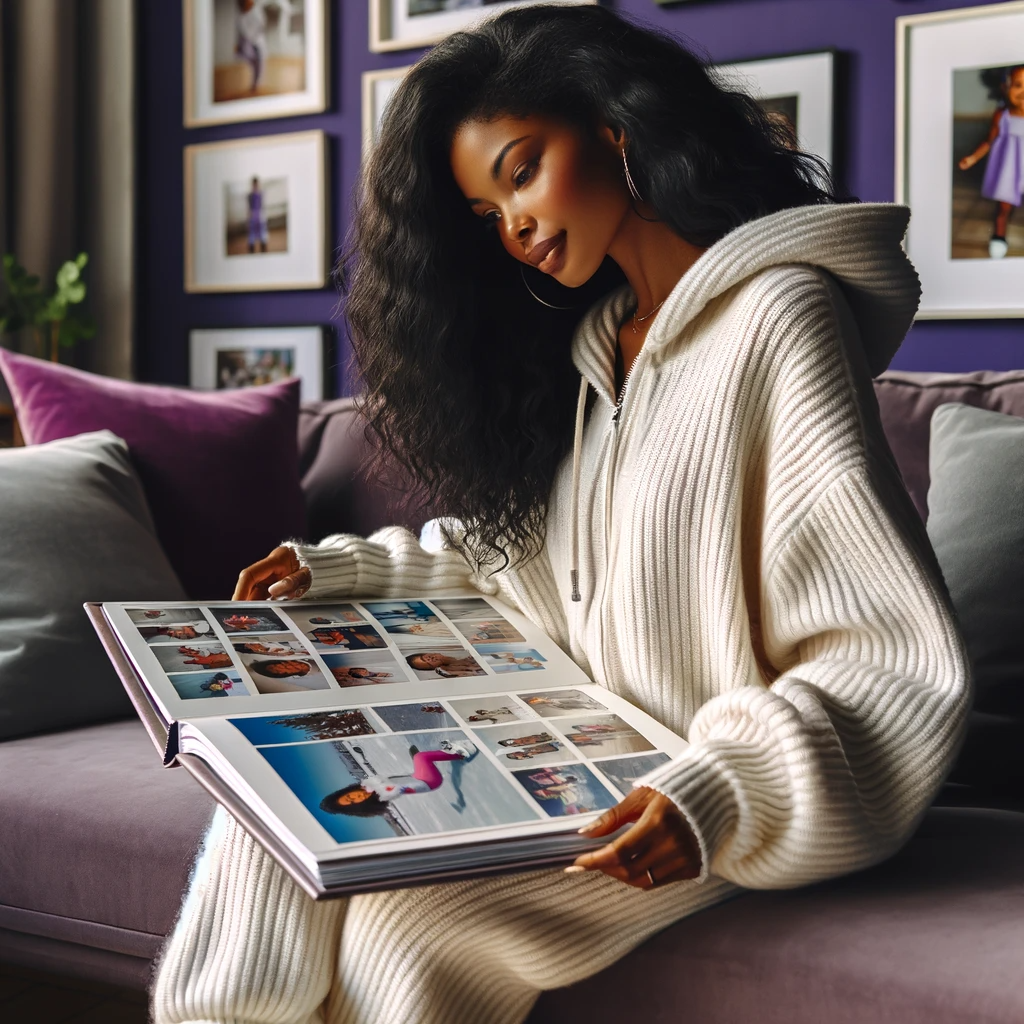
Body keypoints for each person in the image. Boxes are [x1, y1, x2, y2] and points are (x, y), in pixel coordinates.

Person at [157, 7, 969, 1024]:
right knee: (278, 804)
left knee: (404, 932)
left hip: (693, 796)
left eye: (522, 170)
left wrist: (718, 790)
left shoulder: (778, 318)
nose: (517, 226)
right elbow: (526, 564)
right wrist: (347, 570)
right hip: (565, 746)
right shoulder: (592, 356)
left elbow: (881, 654)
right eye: (489, 213)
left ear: (616, 131)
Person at [958, 65, 1024, 258]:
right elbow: (989, 141)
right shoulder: (1002, 115)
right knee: (1004, 207)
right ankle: (999, 236)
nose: (1023, 92)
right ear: (1006, 88)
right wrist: (972, 158)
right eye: (1018, 85)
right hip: (1010, 170)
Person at [320, 739, 478, 816]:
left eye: (349, 796)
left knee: (420, 759)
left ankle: (438, 758)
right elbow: (399, 788)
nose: (356, 796)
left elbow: (397, 779)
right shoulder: (382, 794)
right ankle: (461, 753)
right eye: (353, 801)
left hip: (418, 777)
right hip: (428, 782)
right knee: (422, 758)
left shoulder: (372, 789)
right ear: (357, 806)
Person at [405, 650, 486, 678]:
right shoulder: (449, 671)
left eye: (424, 658)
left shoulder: (458, 654)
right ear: (433, 668)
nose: (430, 659)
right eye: (427, 663)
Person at [246, 176, 269, 253]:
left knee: (263, 233)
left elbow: (263, 205)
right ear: (252, 185)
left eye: (256, 184)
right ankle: (251, 250)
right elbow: (249, 207)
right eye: (254, 184)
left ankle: (263, 249)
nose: (255, 186)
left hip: (260, 216)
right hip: (253, 217)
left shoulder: (261, 194)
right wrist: (249, 216)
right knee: (251, 234)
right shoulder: (250, 195)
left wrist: (263, 215)